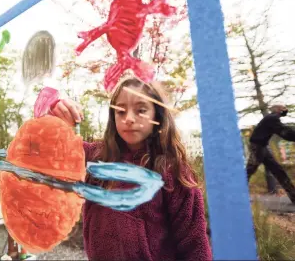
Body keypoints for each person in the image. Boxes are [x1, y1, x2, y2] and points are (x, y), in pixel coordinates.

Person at [47, 77, 212, 261]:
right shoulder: (94, 158)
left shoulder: (174, 171)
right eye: (121, 111)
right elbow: (49, 151)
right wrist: (54, 113)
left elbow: (195, 244)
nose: (129, 119)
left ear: (157, 115)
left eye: (141, 110)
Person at [246, 105, 295, 204]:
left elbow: (284, 130)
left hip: (262, 147)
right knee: (249, 171)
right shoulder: (272, 118)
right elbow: (284, 132)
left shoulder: (271, 118)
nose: (285, 111)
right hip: (258, 147)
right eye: (284, 109)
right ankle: (235, 195)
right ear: (278, 110)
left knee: (279, 171)